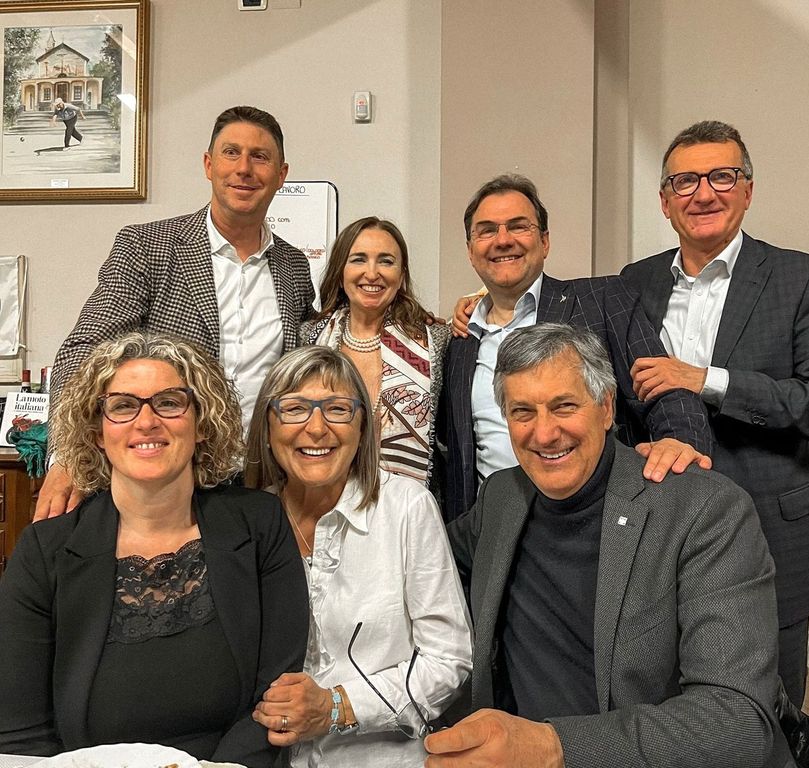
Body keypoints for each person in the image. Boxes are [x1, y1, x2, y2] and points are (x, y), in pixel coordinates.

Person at [429, 322, 789, 768]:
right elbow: (423, 564)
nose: (544, 434)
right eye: (523, 412)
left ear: (605, 407)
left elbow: (737, 721)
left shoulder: (703, 510)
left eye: (564, 406)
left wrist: (553, 747)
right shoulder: (502, 497)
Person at [0, 331, 309, 766]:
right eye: (123, 405)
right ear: (97, 432)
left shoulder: (259, 524)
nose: (146, 422)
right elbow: (21, 733)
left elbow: (275, 699)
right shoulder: (44, 550)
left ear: (202, 424)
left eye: (168, 402)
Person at [38, 105, 315, 519]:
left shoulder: (293, 266)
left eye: (260, 157)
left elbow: (317, 353)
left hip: (261, 485)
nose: (244, 168)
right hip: (161, 482)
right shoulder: (148, 246)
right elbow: (85, 349)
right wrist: (65, 455)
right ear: (208, 165)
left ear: (281, 174)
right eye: (231, 153)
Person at [621, 120, 809, 708]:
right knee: (668, 696)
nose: (703, 193)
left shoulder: (800, 277)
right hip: (660, 522)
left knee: (769, 706)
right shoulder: (635, 282)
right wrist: (485, 306)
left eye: (721, 177)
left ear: (748, 190)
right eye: (685, 181)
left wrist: (704, 380)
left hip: (770, 525)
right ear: (665, 201)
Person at [244, 346, 471, 767]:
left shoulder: (406, 507)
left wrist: (338, 707)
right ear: (267, 426)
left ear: (363, 425)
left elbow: (448, 659)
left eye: (337, 409)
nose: (316, 428)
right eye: (294, 409)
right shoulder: (244, 520)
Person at [440, 173, 714, 520]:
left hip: (596, 524)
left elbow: (663, 386)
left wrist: (679, 441)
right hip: (493, 530)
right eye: (487, 230)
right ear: (470, 250)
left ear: (544, 241)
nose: (503, 240)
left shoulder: (601, 301)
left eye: (518, 226)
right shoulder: (460, 341)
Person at [300, 217, 449, 489]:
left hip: (409, 501)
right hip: (322, 497)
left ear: (401, 276)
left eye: (386, 261)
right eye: (358, 259)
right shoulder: (307, 339)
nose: (371, 273)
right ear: (340, 273)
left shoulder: (435, 341)